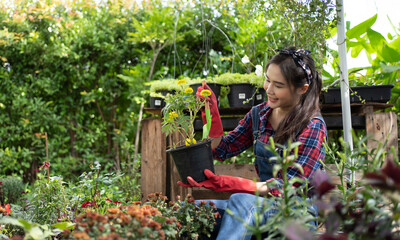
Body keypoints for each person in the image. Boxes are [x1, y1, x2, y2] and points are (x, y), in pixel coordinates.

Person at [178, 47, 327, 239]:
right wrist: (211, 114)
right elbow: (223, 149)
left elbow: (288, 187)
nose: (269, 89)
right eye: (267, 80)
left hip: (297, 212)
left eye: (278, 85)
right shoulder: (260, 114)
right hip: (258, 206)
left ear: (302, 89)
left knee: (242, 201)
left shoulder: (313, 126)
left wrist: (232, 184)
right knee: (189, 211)